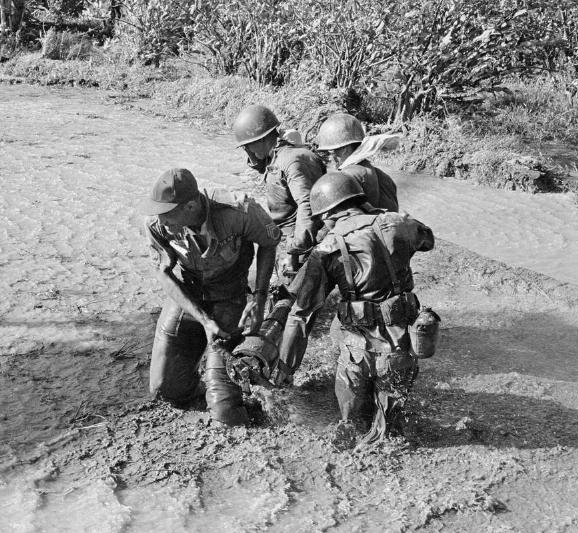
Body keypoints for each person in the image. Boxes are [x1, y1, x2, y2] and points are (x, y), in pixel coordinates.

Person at [279, 172, 434, 445]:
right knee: (392, 428)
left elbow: (301, 316)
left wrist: (285, 370)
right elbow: (428, 240)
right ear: (359, 200)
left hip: (355, 355)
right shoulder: (397, 223)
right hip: (400, 348)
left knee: (350, 426)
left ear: (327, 214)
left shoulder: (326, 249)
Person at [145, 168, 280, 425]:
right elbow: (164, 274)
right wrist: (204, 320)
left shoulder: (239, 211)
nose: (161, 221)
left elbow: (269, 243)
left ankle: (239, 385)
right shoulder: (157, 225)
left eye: (167, 214)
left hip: (230, 297)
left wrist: (259, 299)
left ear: (190, 206)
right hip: (187, 297)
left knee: (226, 414)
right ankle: (202, 382)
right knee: (166, 390)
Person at [232, 105, 326, 277]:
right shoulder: (277, 157)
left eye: (249, 145)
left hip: (301, 241)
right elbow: (265, 169)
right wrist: (252, 154)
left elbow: (308, 203)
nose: (248, 150)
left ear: (262, 139)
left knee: (293, 290)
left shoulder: (292, 161)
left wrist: (295, 249)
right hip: (288, 237)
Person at [315, 113, 400, 212]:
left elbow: (342, 215)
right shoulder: (380, 174)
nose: (330, 158)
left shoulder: (346, 177)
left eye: (331, 153)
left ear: (345, 150)